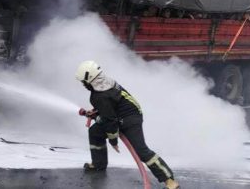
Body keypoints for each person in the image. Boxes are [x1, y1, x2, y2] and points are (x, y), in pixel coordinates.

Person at [75, 60, 180, 189]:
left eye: (83, 82)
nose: (82, 84)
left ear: (89, 80)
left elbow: (110, 121)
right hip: (121, 115)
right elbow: (111, 106)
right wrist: (97, 112)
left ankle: (170, 181)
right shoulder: (106, 83)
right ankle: (98, 164)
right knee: (95, 132)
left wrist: (113, 141)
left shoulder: (99, 96)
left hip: (130, 119)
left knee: (141, 151)